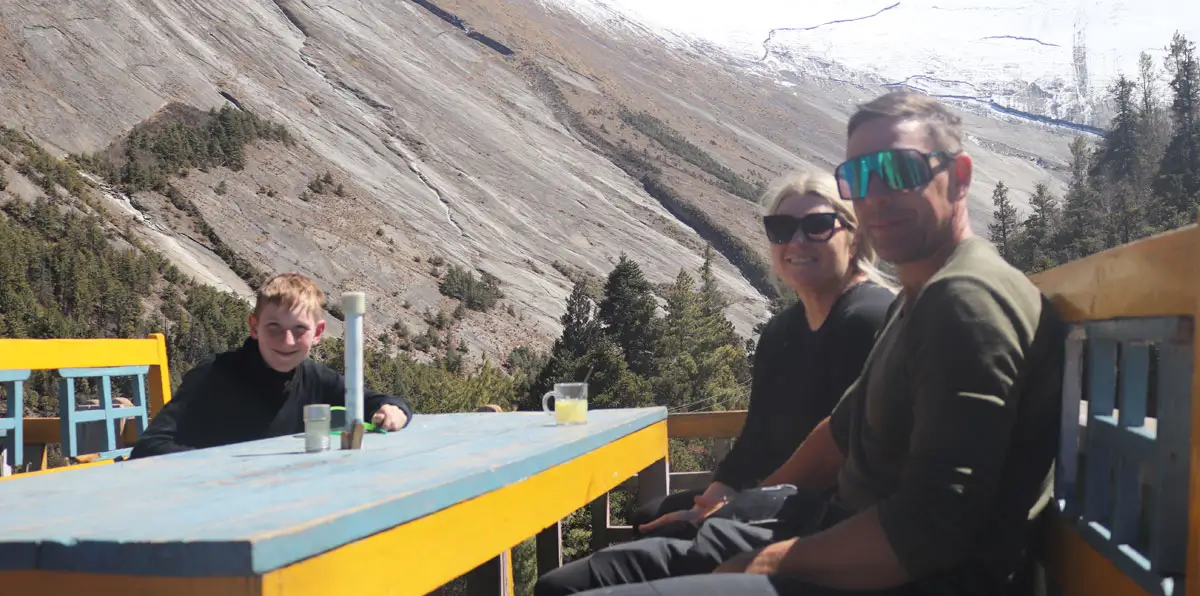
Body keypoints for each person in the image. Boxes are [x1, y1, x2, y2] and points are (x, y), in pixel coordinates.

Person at [534, 91, 1064, 596]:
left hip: (909, 579)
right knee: (564, 584)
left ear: (960, 176)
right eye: (860, 176)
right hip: (839, 531)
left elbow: (931, 529)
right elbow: (837, 432)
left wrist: (774, 560)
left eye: (901, 170)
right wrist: (746, 506)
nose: (878, 194)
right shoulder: (918, 297)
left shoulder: (965, 301)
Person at [633, 171, 895, 537]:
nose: (798, 240)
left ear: (855, 237)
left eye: (818, 225)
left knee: (656, 536)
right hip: (776, 500)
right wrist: (712, 499)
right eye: (781, 228)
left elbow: (841, 458)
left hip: (835, 517)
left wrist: (737, 509)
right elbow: (755, 439)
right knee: (649, 516)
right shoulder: (781, 332)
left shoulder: (870, 320)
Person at [131, 272, 411, 457]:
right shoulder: (214, 375)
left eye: (300, 329)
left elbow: (379, 402)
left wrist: (396, 410)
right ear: (254, 326)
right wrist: (222, 465)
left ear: (318, 333)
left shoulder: (315, 378)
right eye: (274, 326)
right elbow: (149, 447)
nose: (287, 340)